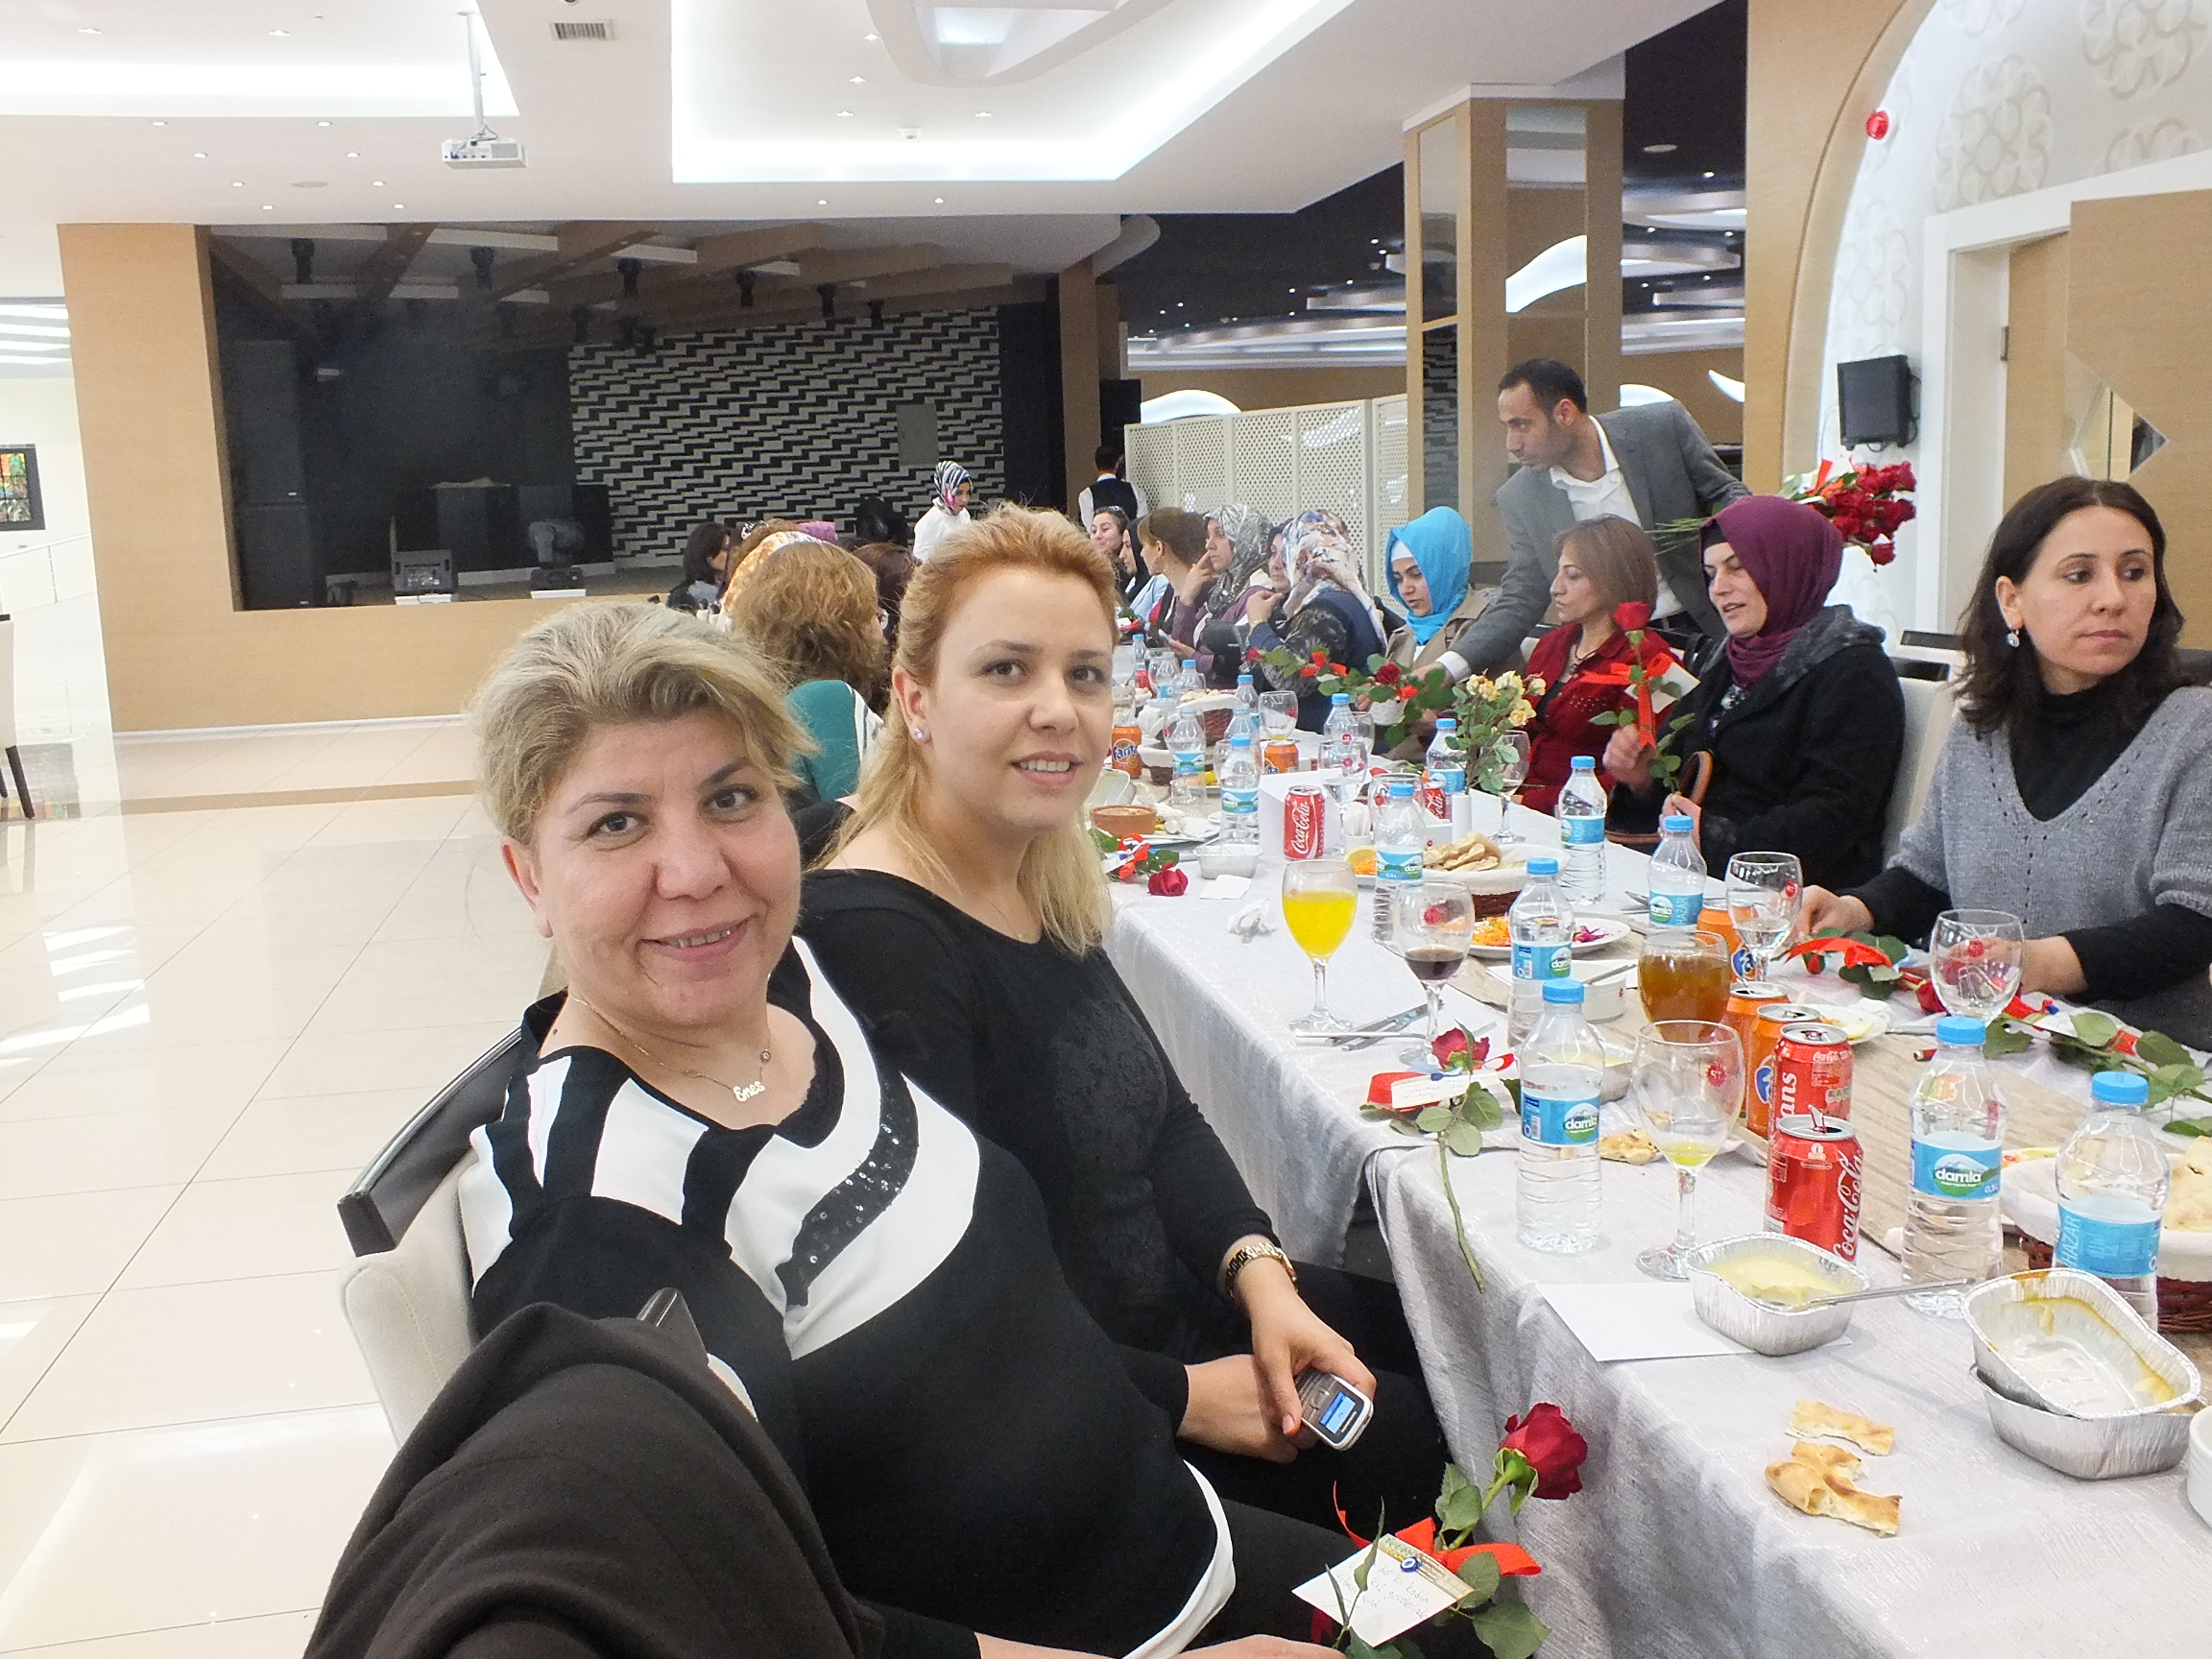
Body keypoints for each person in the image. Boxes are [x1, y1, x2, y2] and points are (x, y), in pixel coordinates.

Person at [459, 600, 1354, 1658]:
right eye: (616, 824)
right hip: (1121, 1643)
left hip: (1189, 1537)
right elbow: (732, 1620)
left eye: (731, 798)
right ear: (531, 878)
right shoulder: (598, 1214)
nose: (695, 872)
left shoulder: (797, 978)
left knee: (1472, 1609)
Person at [805, 509, 1447, 1539]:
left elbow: (1163, 1121)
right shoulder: (880, 941)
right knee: (1429, 1451)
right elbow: (942, 1315)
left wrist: (1262, 1276)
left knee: (1455, 1347)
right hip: (1073, 1418)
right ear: (914, 699)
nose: (1057, 710)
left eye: (1085, 675)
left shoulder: (1028, 871)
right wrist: (1184, 1397)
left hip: (1176, 1317)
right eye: (1007, 671)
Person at [1802, 476, 2212, 1046]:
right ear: (2011, 600)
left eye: (2134, 572)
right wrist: (1854, 909)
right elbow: (1929, 877)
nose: (2113, 598)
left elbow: (2193, 923)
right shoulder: (1981, 727)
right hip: (1993, 1032)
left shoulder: (2195, 728)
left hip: (2137, 1059)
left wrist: (2033, 963)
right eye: (2079, 575)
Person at [1603, 495, 1903, 890]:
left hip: (1794, 896)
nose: (1718, 589)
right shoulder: (1723, 658)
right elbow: (1683, 777)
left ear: (1787, 566)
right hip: (1697, 878)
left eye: (1738, 568)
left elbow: (1834, 815)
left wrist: (1713, 837)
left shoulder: (1854, 670)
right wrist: (1642, 778)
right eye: (1711, 573)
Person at [1470, 359, 1748, 674]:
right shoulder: (1521, 495)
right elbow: (1521, 595)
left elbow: (1727, 494)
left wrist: (1749, 555)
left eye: (1521, 425)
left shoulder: (1660, 428)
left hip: (1706, 629)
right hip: (1610, 657)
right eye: (1507, 427)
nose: (1512, 444)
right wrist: (1450, 666)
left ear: (1564, 413)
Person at [1521, 517, 1685, 813]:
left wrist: (1531, 803)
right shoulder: (1552, 645)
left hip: (1580, 816)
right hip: (1518, 797)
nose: (1555, 588)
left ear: (1613, 581)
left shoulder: (1658, 663)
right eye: (1558, 573)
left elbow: (1635, 779)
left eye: (1573, 576)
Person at [722, 538, 887, 803]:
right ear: (845, 626)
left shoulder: (775, 702)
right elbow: (865, 812)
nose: (881, 628)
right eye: (874, 614)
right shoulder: (828, 698)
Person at [1248, 511, 1388, 731]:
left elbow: (1291, 677)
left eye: (1285, 554)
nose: (1277, 564)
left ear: (1301, 556)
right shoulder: (1345, 596)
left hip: (1335, 738)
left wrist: (1258, 624)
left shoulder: (1325, 609)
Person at [1194, 503, 1273, 686]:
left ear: (1244, 540)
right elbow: (1184, 643)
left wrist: (1192, 658)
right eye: (1208, 536)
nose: (1208, 545)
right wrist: (1185, 597)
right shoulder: (1222, 588)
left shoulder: (1259, 591)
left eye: (1220, 535)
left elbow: (1236, 663)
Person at [1138, 506, 1215, 657]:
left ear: (1159, 548)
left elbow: (1178, 651)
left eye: (1144, 545)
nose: (1141, 553)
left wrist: (1185, 601)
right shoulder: (1170, 589)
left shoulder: (1203, 592)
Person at [667, 520, 736, 613]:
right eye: (726, 549)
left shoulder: (735, 586)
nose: (732, 554)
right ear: (708, 555)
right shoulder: (683, 597)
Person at [912, 462, 974, 563]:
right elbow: (920, 565)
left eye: (968, 493)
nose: (964, 499)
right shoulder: (929, 523)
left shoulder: (964, 514)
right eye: (958, 493)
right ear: (945, 490)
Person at [1077, 443, 1146, 527]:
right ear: (1117, 464)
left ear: (1095, 465)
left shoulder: (1087, 495)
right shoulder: (1135, 491)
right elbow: (1142, 524)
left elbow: (1091, 528)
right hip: (1129, 535)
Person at [1090, 505, 1145, 607]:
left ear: (1122, 533)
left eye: (1105, 529)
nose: (1097, 535)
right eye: (1093, 531)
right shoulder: (1088, 567)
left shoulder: (1130, 569)